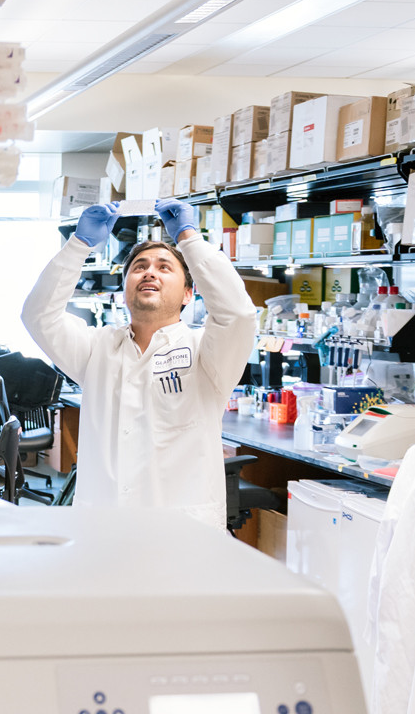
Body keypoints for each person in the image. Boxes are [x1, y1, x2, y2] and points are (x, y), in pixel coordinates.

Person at [21, 199, 257, 528]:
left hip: (181, 534)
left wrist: (189, 239)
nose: (149, 271)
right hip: (103, 529)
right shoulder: (97, 349)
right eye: (139, 266)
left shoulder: (207, 352)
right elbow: (38, 316)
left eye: (164, 267)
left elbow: (238, 314)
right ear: (123, 290)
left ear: (189, 294)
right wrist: (78, 246)